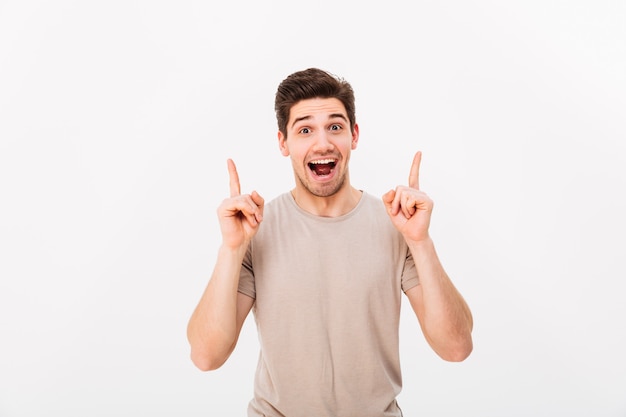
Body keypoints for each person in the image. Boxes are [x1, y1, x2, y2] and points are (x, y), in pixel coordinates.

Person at [187, 68, 473, 416]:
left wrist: (421, 241)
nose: (322, 143)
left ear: (353, 135)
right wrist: (231, 249)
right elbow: (206, 356)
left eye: (334, 127)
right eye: (305, 130)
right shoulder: (256, 228)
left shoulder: (395, 224)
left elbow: (456, 348)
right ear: (283, 143)